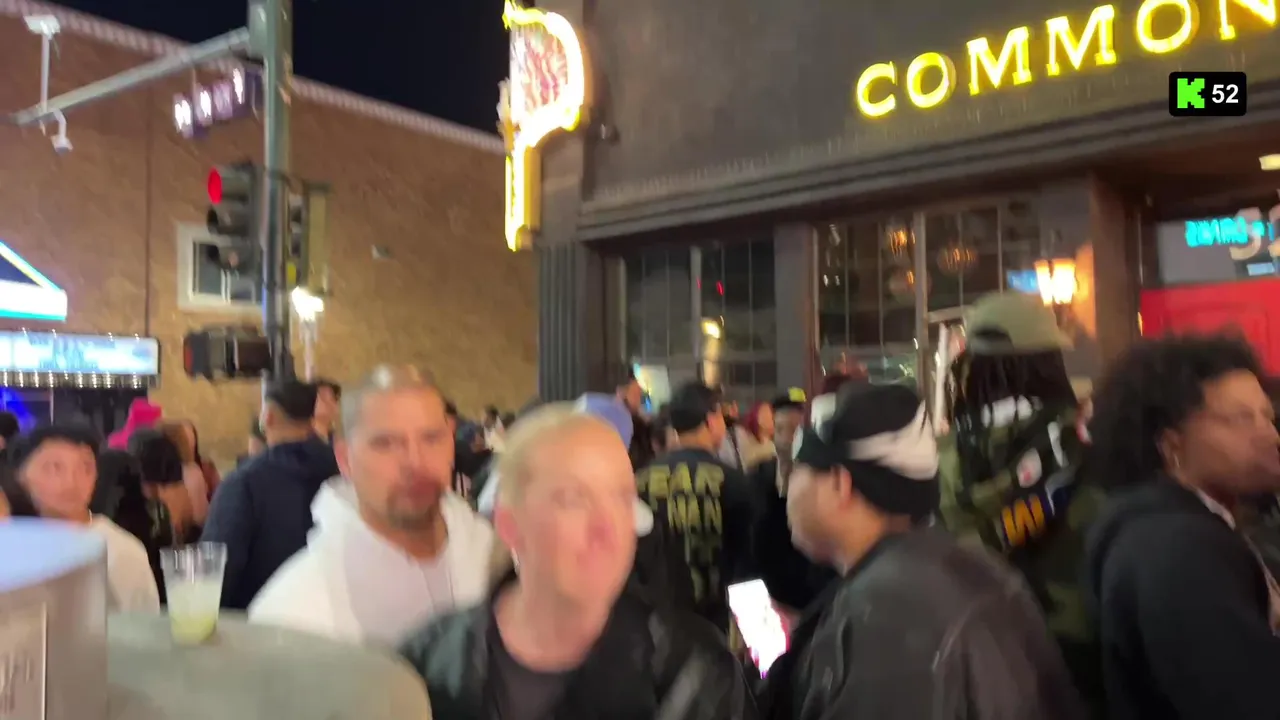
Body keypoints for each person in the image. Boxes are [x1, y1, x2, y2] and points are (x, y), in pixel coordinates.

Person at [398, 404, 757, 719]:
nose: (607, 527)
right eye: (573, 499)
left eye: (621, 498)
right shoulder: (427, 667)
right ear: (510, 524)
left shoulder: (696, 668)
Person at [759, 383, 1083, 719]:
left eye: (800, 469)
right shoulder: (963, 568)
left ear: (840, 484)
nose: (788, 486)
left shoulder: (885, 621)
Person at [1083, 335, 1280, 719]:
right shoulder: (1180, 552)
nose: (1270, 435)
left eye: (1267, 416)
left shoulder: (1162, 526)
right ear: (1171, 444)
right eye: (1242, 419)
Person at [934, 291, 1105, 713]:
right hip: (1081, 662)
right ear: (1050, 363)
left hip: (977, 663)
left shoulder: (939, 458)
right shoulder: (1089, 439)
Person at [249, 365, 496, 645]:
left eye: (431, 438)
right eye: (385, 443)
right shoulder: (294, 614)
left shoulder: (497, 561)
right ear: (345, 459)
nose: (415, 462)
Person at [203, 380, 340, 610]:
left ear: (267, 417)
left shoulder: (244, 483)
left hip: (258, 620)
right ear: (311, 418)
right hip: (330, 616)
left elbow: (215, 572)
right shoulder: (339, 473)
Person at [635, 381, 755, 634]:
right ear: (711, 421)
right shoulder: (733, 481)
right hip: (717, 625)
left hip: (656, 626)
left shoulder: (640, 480)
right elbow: (748, 561)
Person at [10, 425, 159, 612]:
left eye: (85, 468)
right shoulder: (12, 541)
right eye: (54, 468)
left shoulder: (120, 550)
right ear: (19, 475)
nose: (72, 481)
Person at [746, 389, 836, 615]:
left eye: (795, 430)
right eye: (780, 430)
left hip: (813, 600)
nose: (787, 439)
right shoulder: (759, 478)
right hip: (770, 597)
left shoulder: (819, 479)